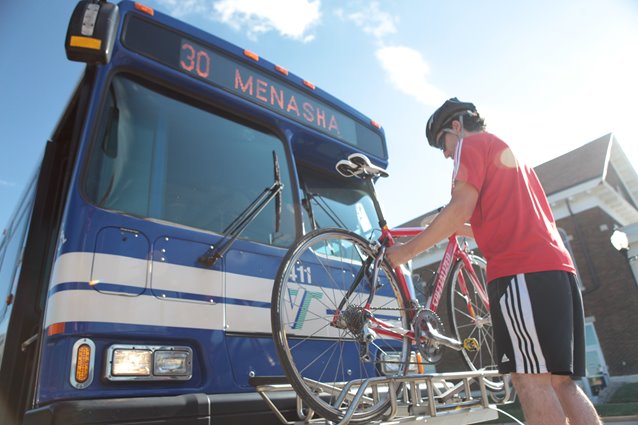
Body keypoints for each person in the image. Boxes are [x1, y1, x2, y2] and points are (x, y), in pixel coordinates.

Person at [385, 98, 602, 425]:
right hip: (557, 272)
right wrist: (455, 226)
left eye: (442, 143)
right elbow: (497, 222)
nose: (445, 153)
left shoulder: (470, 147)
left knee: (529, 379)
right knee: (561, 383)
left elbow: (459, 208)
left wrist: (403, 253)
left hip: (522, 274)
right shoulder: (509, 153)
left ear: (456, 127)